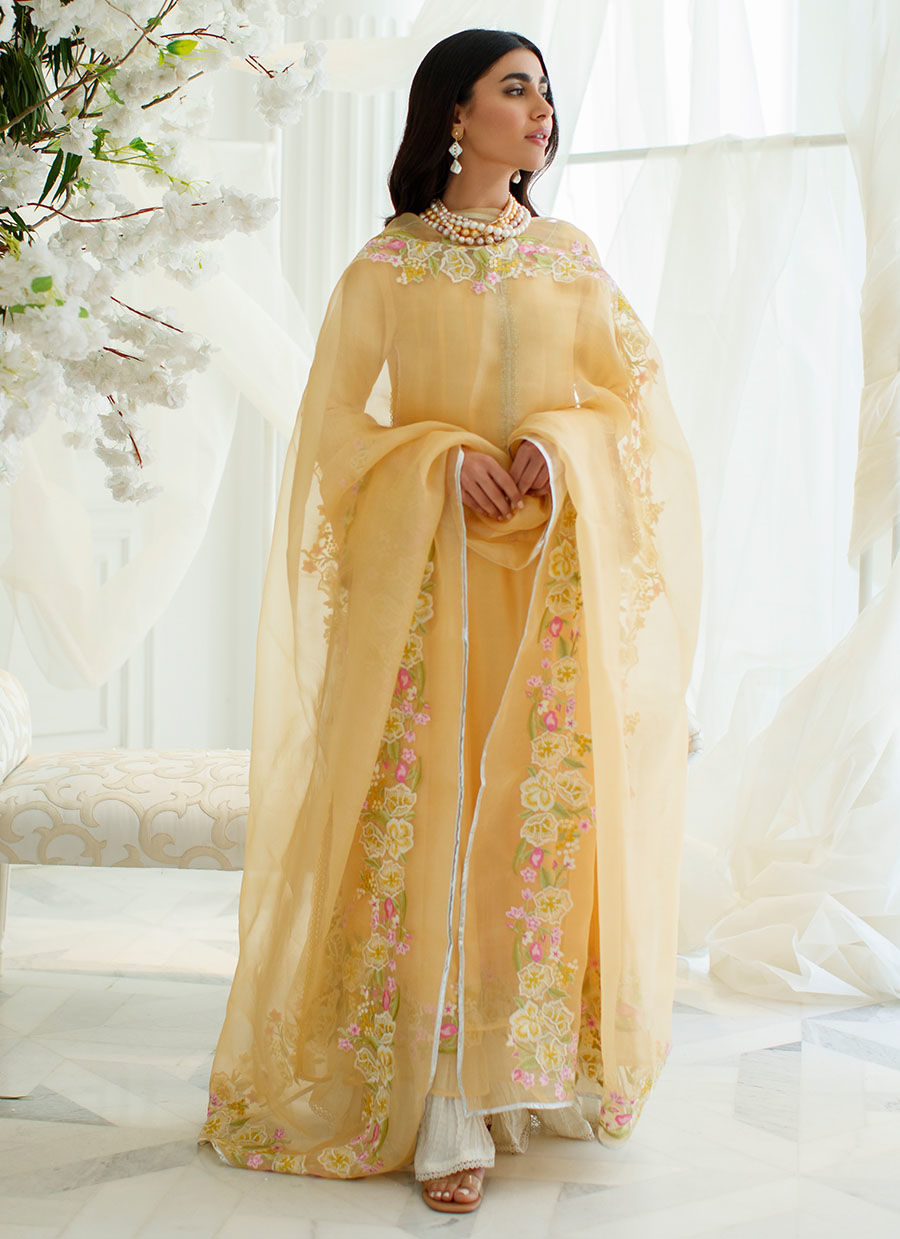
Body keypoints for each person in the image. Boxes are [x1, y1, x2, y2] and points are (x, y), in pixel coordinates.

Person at [199, 27, 702, 1216]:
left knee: (530, 824)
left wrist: (559, 447)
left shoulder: (569, 259)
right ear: (456, 116)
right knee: (429, 823)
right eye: (515, 90)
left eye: (546, 94)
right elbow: (331, 431)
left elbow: (635, 409)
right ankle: (437, 1096)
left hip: (546, 590)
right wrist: (434, 458)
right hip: (428, 593)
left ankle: (512, 1065)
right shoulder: (390, 266)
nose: (541, 112)